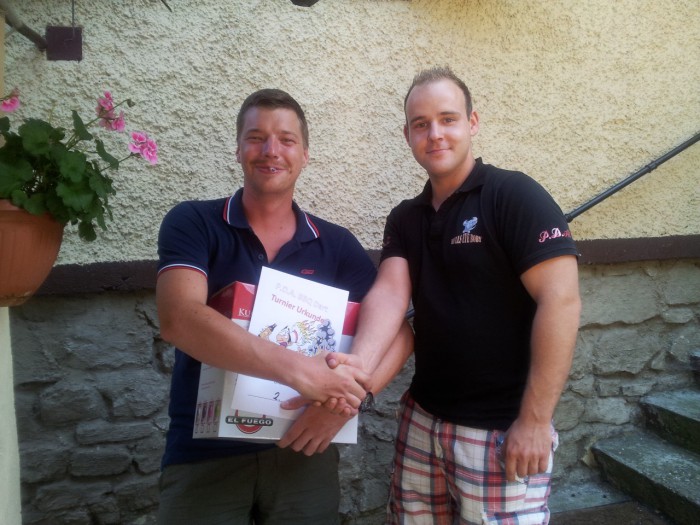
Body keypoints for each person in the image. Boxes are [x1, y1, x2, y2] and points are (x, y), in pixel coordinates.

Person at [331, 66, 581, 524]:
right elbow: (390, 293)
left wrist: (535, 420)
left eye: (447, 119)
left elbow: (561, 302)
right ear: (407, 135)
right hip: (422, 420)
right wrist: (357, 369)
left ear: (473, 122)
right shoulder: (406, 217)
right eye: (421, 124)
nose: (435, 134)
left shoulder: (514, 195)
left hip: (501, 430)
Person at [155, 88, 412, 525]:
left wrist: (347, 403)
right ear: (238, 149)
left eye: (287, 140)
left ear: (305, 155)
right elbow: (179, 319)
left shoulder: (336, 244)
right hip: (203, 454)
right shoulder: (194, 221)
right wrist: (302, 372)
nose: (271, 150)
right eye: (256, 137)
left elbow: (400, 332)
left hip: (304, 449)